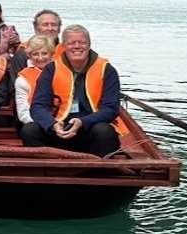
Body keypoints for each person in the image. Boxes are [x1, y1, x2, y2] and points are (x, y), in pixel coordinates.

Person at [20, 25, 128, 157]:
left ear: (89, 45)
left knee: (104, 131)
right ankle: (46, 167)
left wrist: (83, 122)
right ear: (63, 46)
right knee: (30, 130)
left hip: (90, 127)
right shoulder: (51, 69)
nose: (77, 46)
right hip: (59, 127)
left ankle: (99, 167)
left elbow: (111, 109)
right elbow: (38, 106)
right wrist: (53, 124)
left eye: (82, 42)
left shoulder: (107, 70)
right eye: (71, 43)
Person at [13, 34, 56, 126]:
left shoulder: (62, 72)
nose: (40, 58)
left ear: (51, 54)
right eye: (35, 54)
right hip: (36, 122)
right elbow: (23, 113)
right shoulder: (22, 80)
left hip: (60, 119)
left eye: (44, 53)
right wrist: (49, 124)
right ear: (29, 56)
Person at [8, 8, 62, 78]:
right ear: (36, 28)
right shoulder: (23, 54)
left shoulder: (66, 53)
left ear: (59, 28)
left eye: (54, 25)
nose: (50, 28)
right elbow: (14, 82)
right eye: (45, 25)